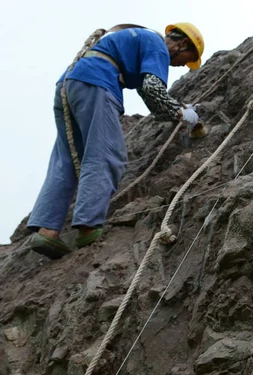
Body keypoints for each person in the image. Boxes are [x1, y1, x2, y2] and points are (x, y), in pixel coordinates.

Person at [27, 23, 204, 259]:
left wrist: (177, 109)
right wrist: (182, 115)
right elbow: (153, 91)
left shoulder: (138, 40)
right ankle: (88, 227)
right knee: (106, 153)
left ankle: (47, 231)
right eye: (186, 59)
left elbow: (148, 94)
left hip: (70, 84)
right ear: (182, 43)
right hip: (97, 84)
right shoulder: (158, 46)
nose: (180, 65)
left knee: (67, 159)